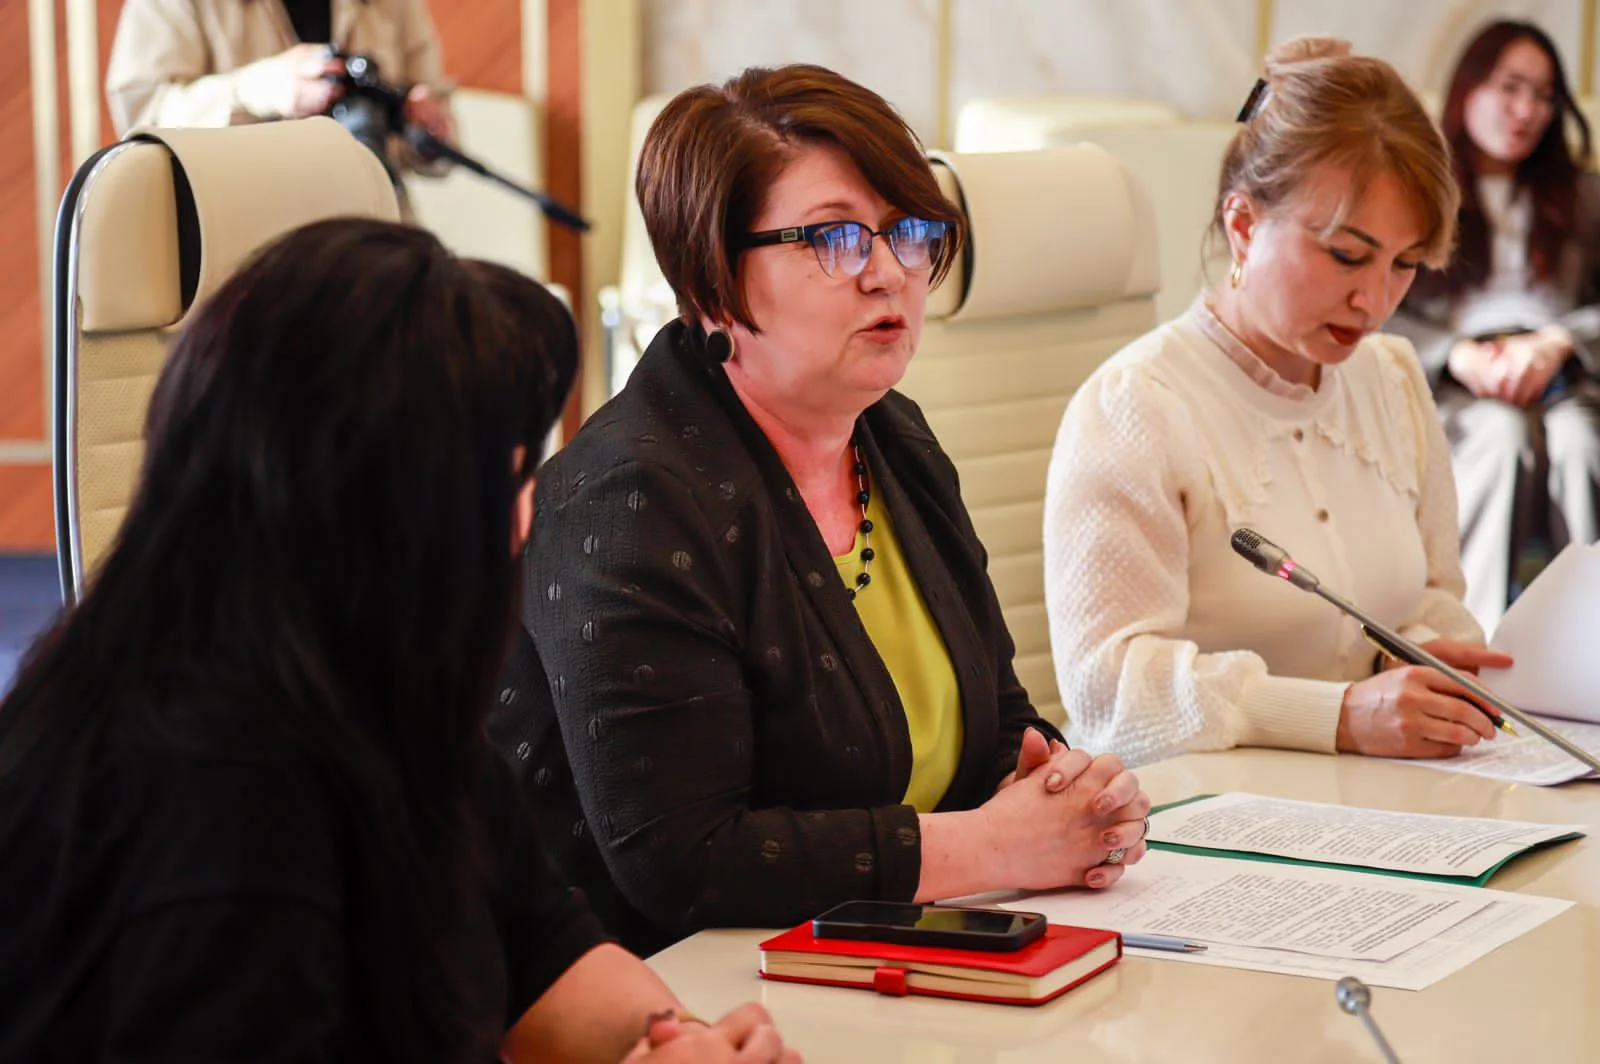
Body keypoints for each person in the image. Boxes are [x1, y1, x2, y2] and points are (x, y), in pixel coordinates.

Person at [0, 219, 794, 1064]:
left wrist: (676, 1039)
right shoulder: (222, 817)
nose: (527, 514)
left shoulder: (376, 701)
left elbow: (541, 953)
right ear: (404, 515)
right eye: (511, 476)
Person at [488, 64, 1151, 957]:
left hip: (883, 957)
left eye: (906, 232)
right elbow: (683, 860)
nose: (888, 274)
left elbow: (998, 721)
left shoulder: (894, 440)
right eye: (834, 238)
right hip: (674, 991)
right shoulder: (628, 500)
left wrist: (1065, 794)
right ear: (713, 283)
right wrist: (997, 846)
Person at [1043, 38, 1516, 770]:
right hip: (1196, 808)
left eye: (1405, 264)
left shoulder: (1392, 379)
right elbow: (1108, 692)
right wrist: (1338, 716)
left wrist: (1418, 660)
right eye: (1347, 255)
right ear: (1244, 225)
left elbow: (1432, 598)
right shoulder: (1137, 406)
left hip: (1388, 794)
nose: (1374, 300)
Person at [1391, 20, 1600, 632]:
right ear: (1469, 88)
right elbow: (1381, 308)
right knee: (1498, 438)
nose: (1527, 111)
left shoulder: (1584, 200)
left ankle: (1586, 639)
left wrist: (1561, 341)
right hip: (1458, 384)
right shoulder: (1418, 192)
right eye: (1510, 88)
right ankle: (1471, 641)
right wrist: (1455, 354)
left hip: (1565, 376)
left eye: (1543, 96)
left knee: (1579, 443)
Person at [105, 0, 452, 184]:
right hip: (244, 248)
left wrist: (427, 132)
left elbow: (442, 132)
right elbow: (144, 117)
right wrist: (254, 90)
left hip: (376, 240)